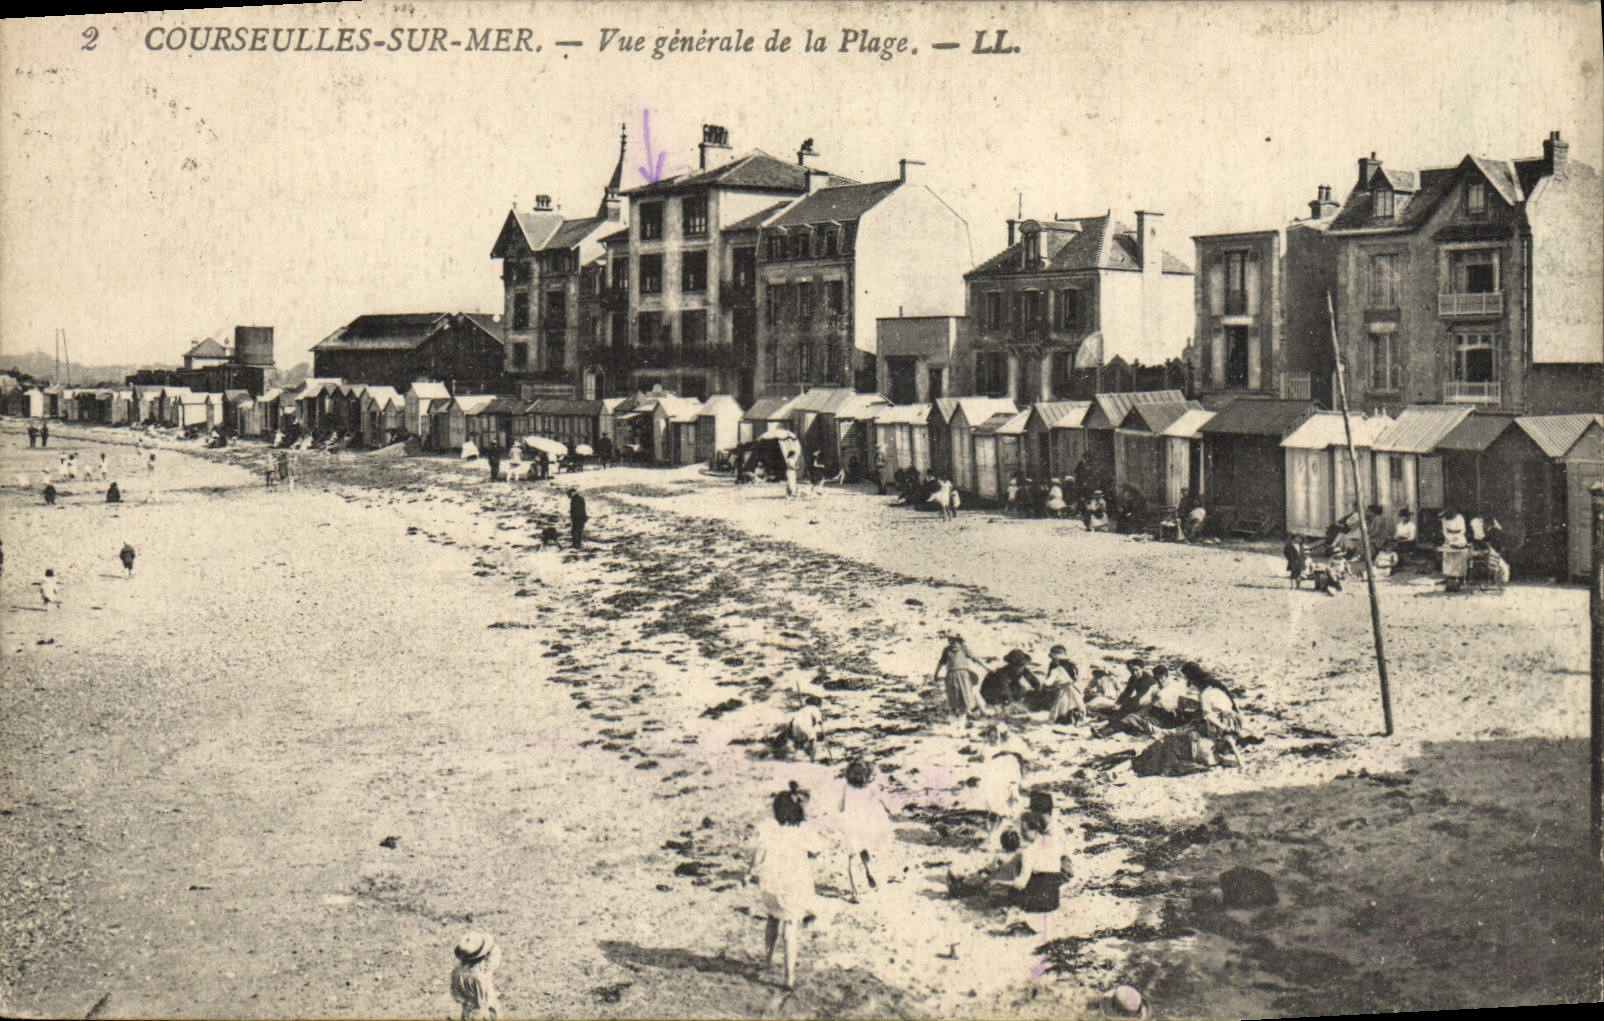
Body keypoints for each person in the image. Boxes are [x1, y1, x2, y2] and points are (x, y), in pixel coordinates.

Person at [748, 781, 829, 991]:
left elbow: (759, 854)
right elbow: (818, 848)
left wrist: (749, 873)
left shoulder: (770, 828)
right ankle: (789, 977)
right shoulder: (802, 829)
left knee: (772, 918)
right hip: (794, 886)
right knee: (791, 927)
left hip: (771, 885)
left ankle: (767, 960)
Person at [838, 760, 893, 903]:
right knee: (864, 850)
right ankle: (869, 871)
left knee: (851, 858)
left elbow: (840, 807)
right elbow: (883, 802)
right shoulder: (869, 789)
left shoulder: (846, 788)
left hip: (851, 826)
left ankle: (855, 892)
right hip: (865, 826)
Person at [978, 723, 1029, 834]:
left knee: (1007, 795)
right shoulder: (987, 748)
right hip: (993, 772)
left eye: (996, 736)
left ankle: (1002, 819)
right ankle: (997, 820)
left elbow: (1014, 756)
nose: (994, 739)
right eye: (991, 736)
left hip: (1002, 773)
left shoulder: (1004, 748)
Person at [931, 634, 988, 719]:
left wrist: (986, 668)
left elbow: (976, 659)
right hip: (951, 675)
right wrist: (936, 673)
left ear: (959, 641)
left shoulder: (964, 648)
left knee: (966, 698)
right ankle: (956, 720)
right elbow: (941, 662)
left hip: (963, 675)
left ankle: (971, 715)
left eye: (954, 640)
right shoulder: (947, 650)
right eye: (950, 640)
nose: (952, 642)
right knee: (954, 699)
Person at [449, 932, 502, 1020]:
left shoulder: (456, 972)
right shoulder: (482, 974)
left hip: (467, 1010)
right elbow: (495, 956)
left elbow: (456, 995)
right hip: (482, 1012)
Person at [784, 695, 826, 761]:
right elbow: (818, 719)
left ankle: (794, 756)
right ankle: (812, 759)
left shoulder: (801, 710)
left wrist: (791, 730)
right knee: (813, 739)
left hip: (795, 725)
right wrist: (820, 722)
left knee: (800, 741)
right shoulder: (814, 708)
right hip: (805, 725)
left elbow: (791, 721)